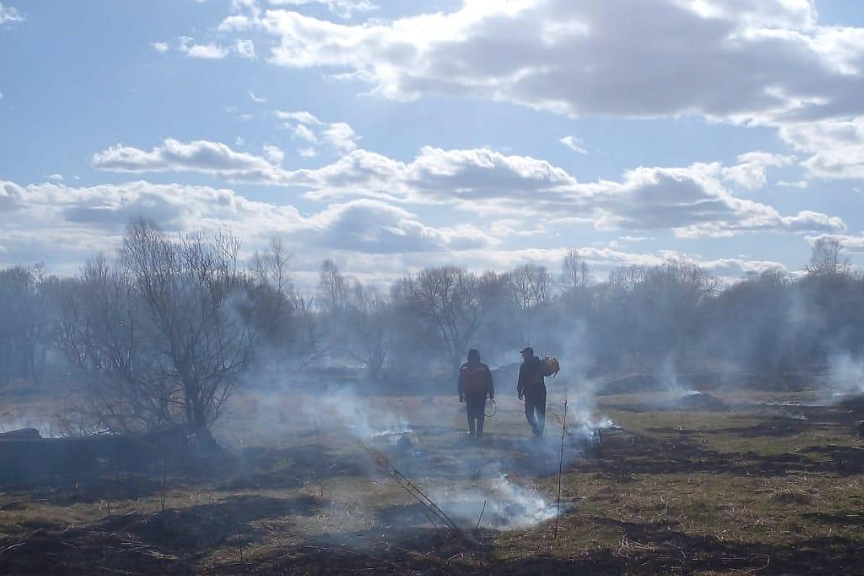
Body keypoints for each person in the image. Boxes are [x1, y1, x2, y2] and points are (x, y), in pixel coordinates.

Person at [458, 348, 494, 439]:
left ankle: (472, 432)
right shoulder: (484, 367)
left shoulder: (464, 367)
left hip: (469, 394)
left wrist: (460, 394)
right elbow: (489, 381)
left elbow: (460, 382)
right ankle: (479, 433)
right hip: (481, 394)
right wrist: (491, 393)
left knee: (470, 414)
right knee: (480, 414)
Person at [517, 346, 546, 436]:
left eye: (524, 354)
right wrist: (519, 390)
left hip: (532, 393)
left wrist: (519, 391)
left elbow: (521, 379)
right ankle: (538, 429)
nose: (522, 355)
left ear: (529, 354)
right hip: (538, 392)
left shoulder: (526, 365)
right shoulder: (540, 363)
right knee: (537, 413)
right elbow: (521, 379)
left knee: (532, 413)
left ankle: (537, 430)